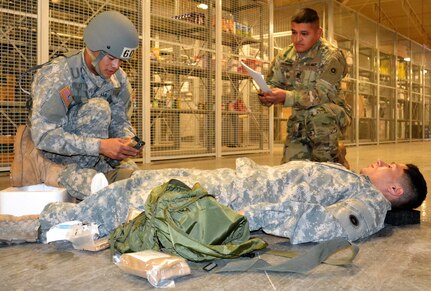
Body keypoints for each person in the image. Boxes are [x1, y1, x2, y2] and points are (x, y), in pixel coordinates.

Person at [39, 157, 427, 245]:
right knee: (142, 182)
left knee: (140, 192)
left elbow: (321, 225)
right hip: (240, 183)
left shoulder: (369, 205)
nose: (379, 163)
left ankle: (49, 219)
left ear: (394, 191)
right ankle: (65, 194)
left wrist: (251, 215)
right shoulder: (358, 181)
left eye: (389, 167)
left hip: (236, 197)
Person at [10, 11, 142, 200]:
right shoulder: (59, 75)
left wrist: (127, 141)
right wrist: (100, 146)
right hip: (59, 157)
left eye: (121, 60)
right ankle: (55, 172)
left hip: (100, 155)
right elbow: (44, 136)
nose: (116, 66)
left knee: (137, 182)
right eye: (111, 57)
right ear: (94, 47)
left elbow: (120, 120)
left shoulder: (118, 80)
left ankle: (95, 175)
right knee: (98, 109)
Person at [260, 8, 352, 168]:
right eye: (294, 32)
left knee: (322, 169)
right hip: (299, 119)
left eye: (304, 34)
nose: (297, 39)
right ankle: (334, 152)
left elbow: (322, 94)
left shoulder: (332, 56)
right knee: (290, 171)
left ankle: (334, 159)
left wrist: (285, 97)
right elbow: (274, 83)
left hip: (330, 116)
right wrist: (267, 95)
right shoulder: (285, 56)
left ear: (318, 33)